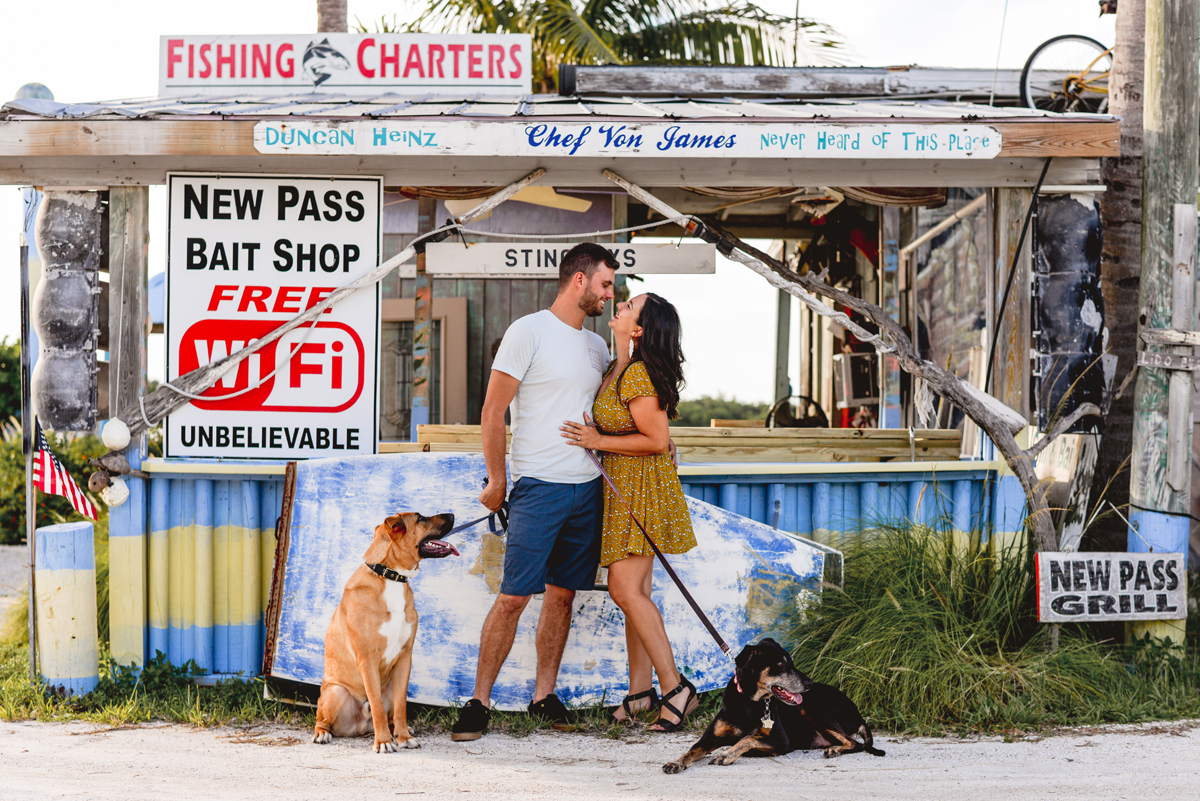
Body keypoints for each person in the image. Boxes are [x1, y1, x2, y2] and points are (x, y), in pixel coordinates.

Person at [451, 242, 619, 742]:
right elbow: (492, 411)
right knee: (512, 598)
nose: (611, 294)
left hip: (587, 488)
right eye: (606, 284)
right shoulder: (528, 331)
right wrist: (498, 479)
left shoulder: (597, 347)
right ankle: (479, 702)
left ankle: (543, 697)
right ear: (579, 281)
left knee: (563, 597)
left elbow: (618, 409)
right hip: (537, 487)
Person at [560, 292, 698, 733]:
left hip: (640, 490)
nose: (617, 306)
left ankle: (676, 690)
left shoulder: (636, 373)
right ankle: (640, 695)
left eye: (628, 307)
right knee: (635, 594)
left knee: (624, 590)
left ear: (637, 329)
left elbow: (656, 440)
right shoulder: (615, 367)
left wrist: (595, 440)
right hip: (626, 489)